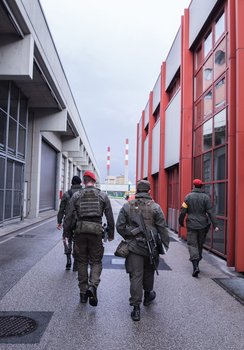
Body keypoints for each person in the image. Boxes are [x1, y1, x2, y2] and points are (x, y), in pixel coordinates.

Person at [116, 180, 169, 321]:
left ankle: (136, 308)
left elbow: (120, 227)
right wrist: (164, 245)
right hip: (151, 247)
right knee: (149, 272)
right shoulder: (156, 207)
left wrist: (130, 233)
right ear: (149, 191)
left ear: (137, 191)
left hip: (134, 248)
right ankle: (147, 296)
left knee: (136, 276)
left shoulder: (127, 206)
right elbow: (162, 228)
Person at [65, 170, 115, 306]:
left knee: (81, 262)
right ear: (94, 181)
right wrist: (111, 234)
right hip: (96, 233)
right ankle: (93, 286)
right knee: (96, 261)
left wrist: (66, 235)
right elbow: (110, 217)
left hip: (80, 232)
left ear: (84, 181)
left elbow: (68, 217)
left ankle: (82, 293)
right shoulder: (102, 195)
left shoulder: (76, 195)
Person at [178, 178, 219, 278]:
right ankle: (198, 261)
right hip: (203, 225)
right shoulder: (206, 197)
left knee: (192, 244)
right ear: (201, 186)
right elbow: (210, 212)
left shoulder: (188, 197)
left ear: (193, 186)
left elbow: (183, 211)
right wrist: (215, 224)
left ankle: (195, 265)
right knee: (200, 244)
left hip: (191, 224)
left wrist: (180, 222)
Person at [57, 175, 82, 271]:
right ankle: (76, 262)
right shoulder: (83, 194)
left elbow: (61, 209)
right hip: (80, 222)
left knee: (67, 239)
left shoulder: (66, 194)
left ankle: (68, 259)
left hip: (68, 221)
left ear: (71, 183)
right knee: (78, 241)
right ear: (80, 183)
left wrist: (59, 221)